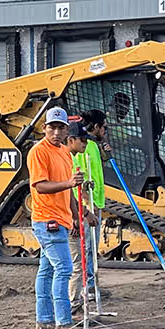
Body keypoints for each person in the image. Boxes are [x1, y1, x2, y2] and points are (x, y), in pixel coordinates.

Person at [27, 109, 84, 329]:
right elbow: (39, 185)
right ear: (44, 128)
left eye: (61, 128)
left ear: (66, 130)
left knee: (48, 269)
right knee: (64, 269)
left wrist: (78, 214)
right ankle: (63, 322)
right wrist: (69, 182)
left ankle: (45, 322)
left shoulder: (64, 152)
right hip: (47, 219)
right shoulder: (39, 152)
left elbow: (68, 190)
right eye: (52, 127)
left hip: (60, 219)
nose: (56, 132)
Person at [66, 121, 108, 314]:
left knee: (88, 253)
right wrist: (81, 213)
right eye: (81, 140)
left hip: (92, 203)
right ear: (71, 140)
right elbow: (71, 191)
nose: (85, 143)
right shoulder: (68, 157)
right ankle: (73, 301)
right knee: (77, 261)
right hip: (79, 211)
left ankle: (85, 290)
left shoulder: (90, 147)